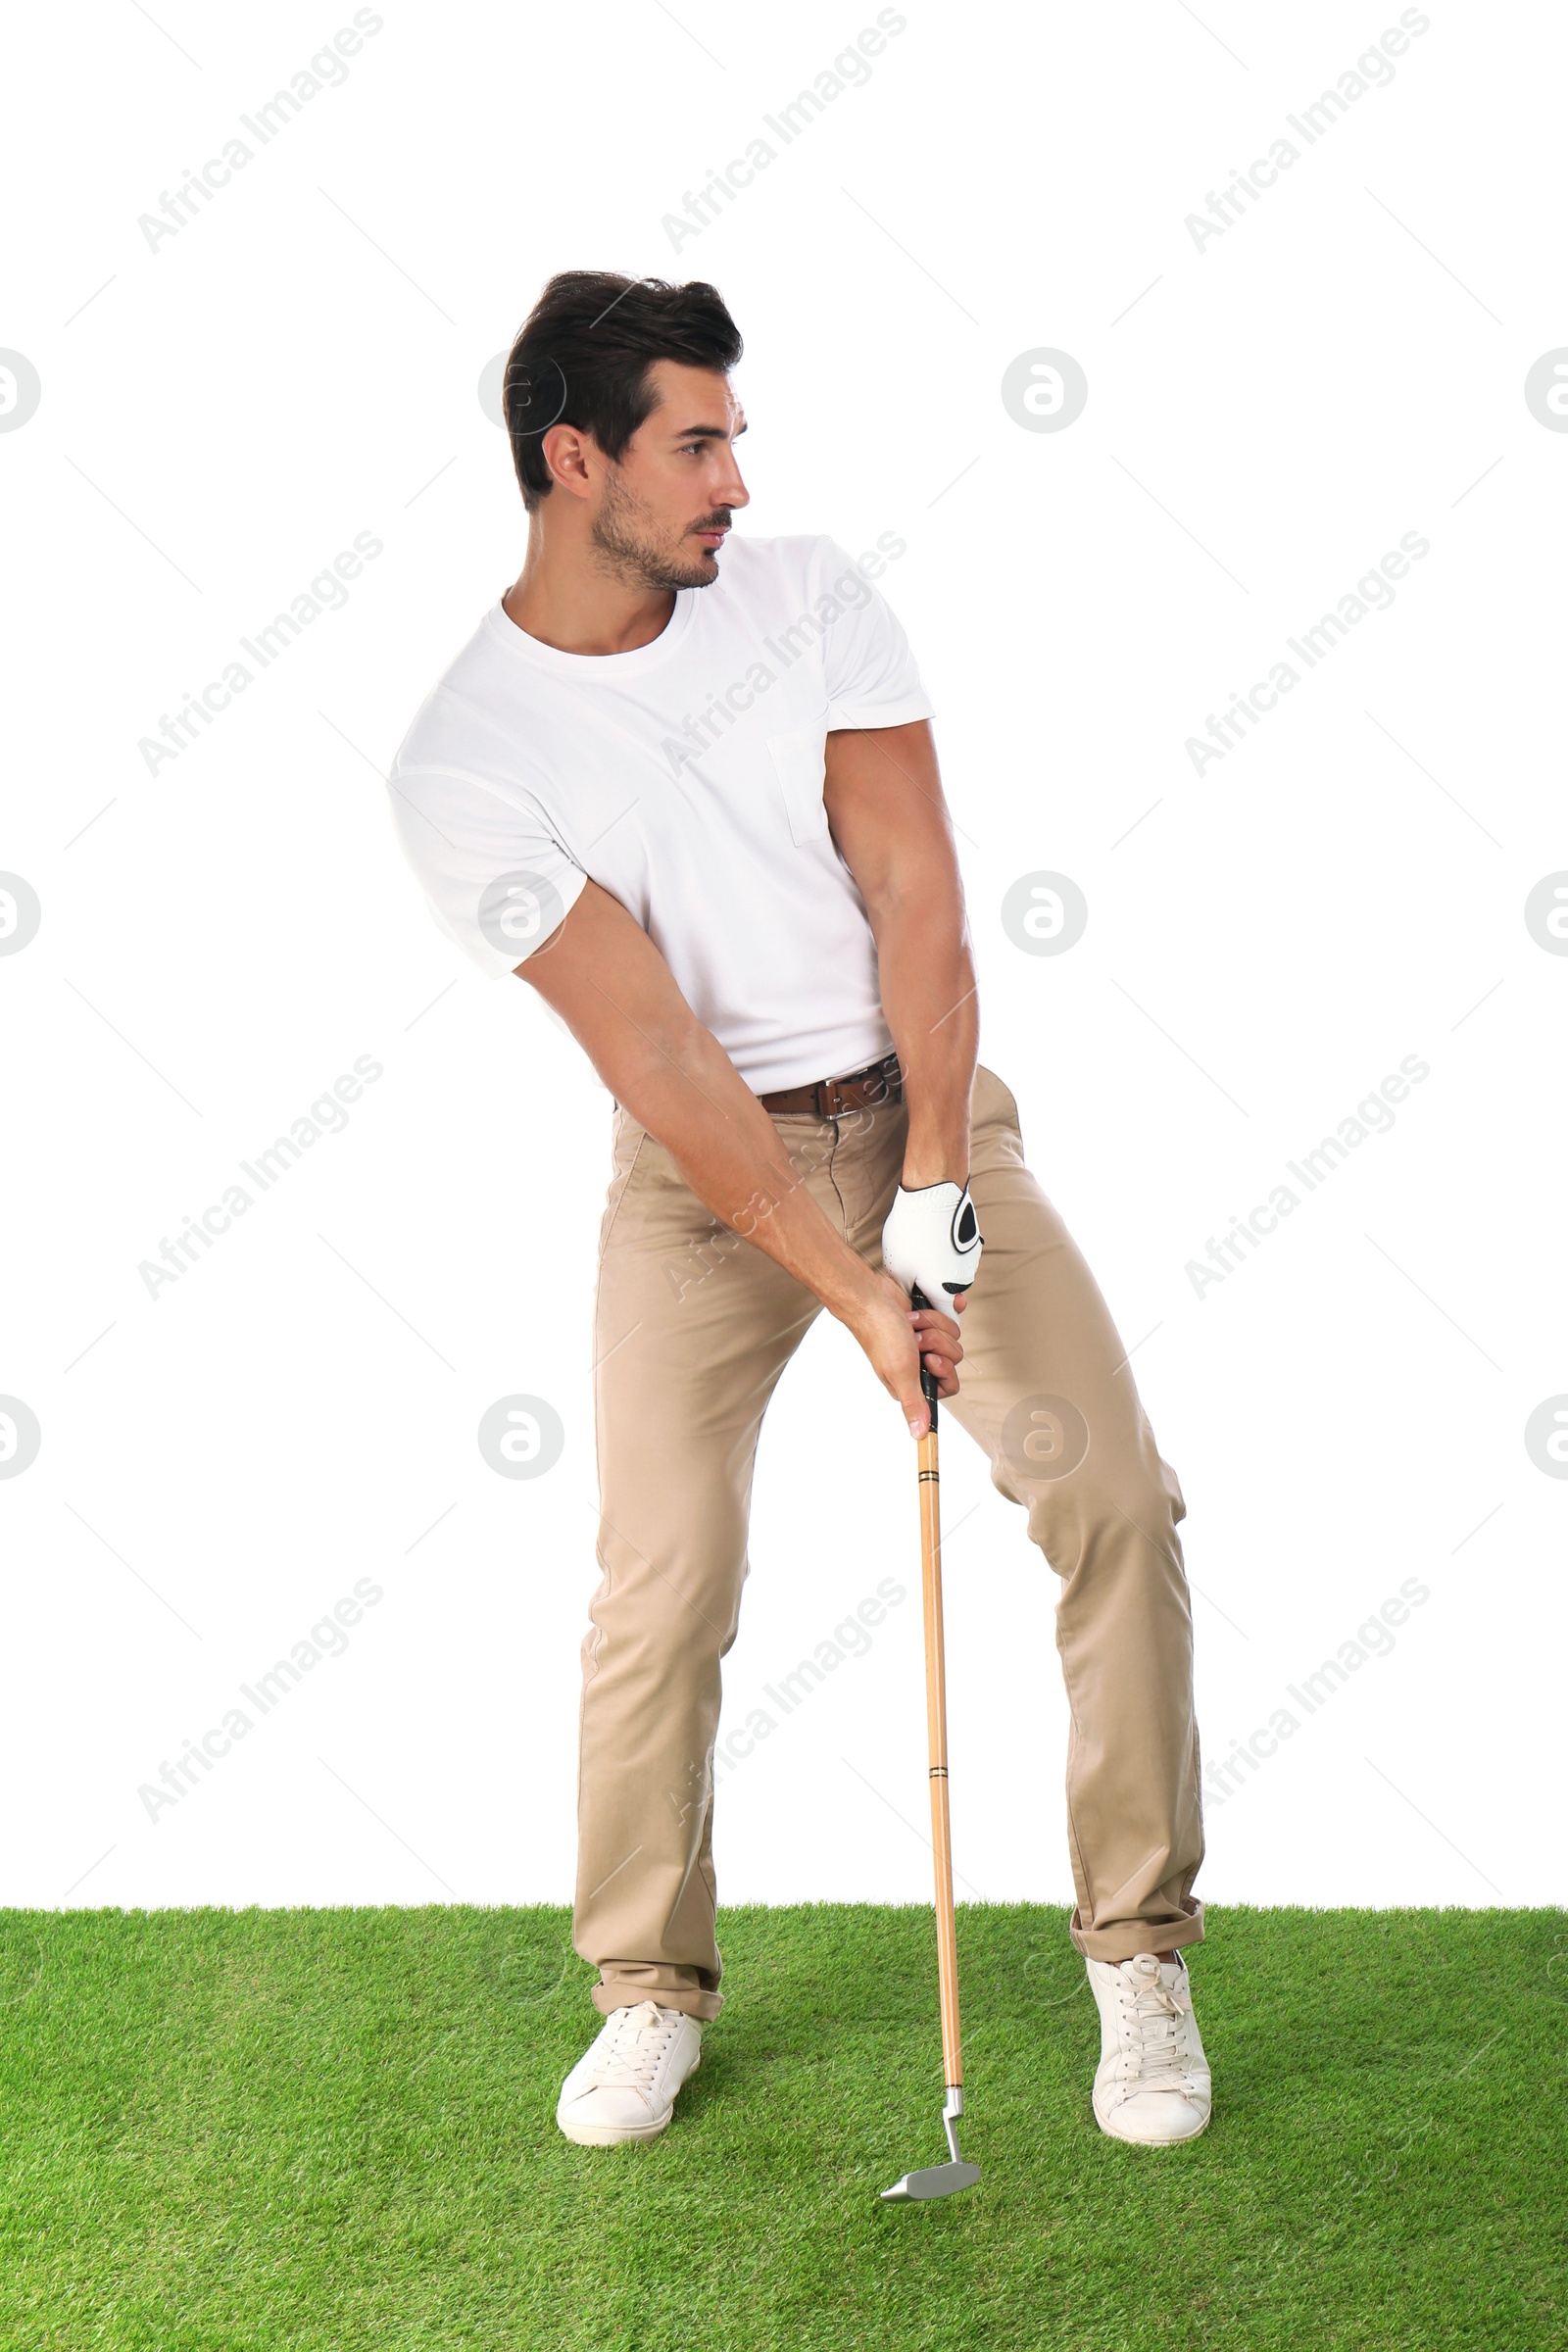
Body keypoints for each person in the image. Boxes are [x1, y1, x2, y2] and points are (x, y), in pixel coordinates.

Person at [384, 271, 1211, 2152]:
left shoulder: (812, 591)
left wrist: (932, 1187)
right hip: (700, 1190)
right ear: (572, 459)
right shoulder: (467, 760)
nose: (737, 480)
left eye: (739, 437)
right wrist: (854, 1295)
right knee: (662, 1584)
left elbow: (916, 892)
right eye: (699, 442)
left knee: (1110, 1496)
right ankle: (647, 1986)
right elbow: (665, 1061)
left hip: (925, 1115)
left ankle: (1140, 1953)